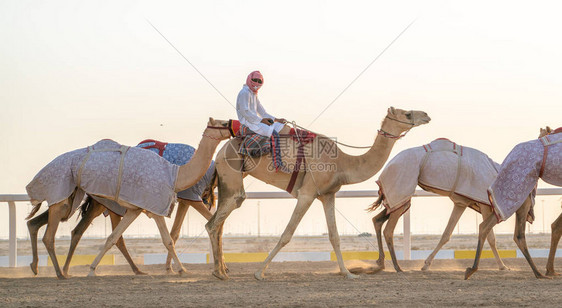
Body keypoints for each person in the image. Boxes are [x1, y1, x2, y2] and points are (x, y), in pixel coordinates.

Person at [236, 71, 287, 137]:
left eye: (259, 81)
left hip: (256, 122)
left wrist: (277, 120)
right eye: (255, 80)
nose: (257, 83)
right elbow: (245, 112)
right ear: (250, 79)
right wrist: (261, 120)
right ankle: (276, 147)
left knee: (279, 126)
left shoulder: (253, 94)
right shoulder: (245, 92)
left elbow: (262, 112)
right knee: (274, 134)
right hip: (249, 123)